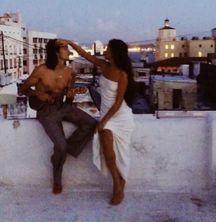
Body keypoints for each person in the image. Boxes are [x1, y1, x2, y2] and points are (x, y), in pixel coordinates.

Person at [58, 39, 135, 205]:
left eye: (108, 48)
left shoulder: (123, 74)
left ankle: (119, 185)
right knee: (107, 144)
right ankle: (117, 182)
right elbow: (85, 54)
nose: (105, 50)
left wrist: (103, 121)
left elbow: (118, 103)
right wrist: (71, 43)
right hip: (107, 115)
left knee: (112, 143)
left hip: (120, 116)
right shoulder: (104, 66)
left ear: (114, 53)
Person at [20, 39, 97, 194]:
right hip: (46, 112)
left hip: (63, 107)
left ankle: (67, 150)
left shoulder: (69, 72)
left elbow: (69, 99)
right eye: (64, 48)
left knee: (90, 123)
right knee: (59, 146)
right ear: (56, 52)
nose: (68, 51)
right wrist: (38, 93)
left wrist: (70, 95)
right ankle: (57, 178)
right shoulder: (41, 70)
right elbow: (24, 88)